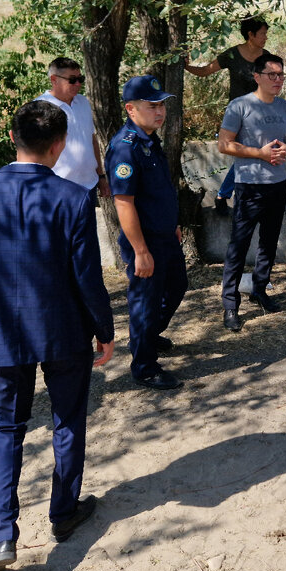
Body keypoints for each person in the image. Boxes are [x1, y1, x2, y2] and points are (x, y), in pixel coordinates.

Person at [0, 100, 115, 571]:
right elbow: (87, 278)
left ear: (11, 137)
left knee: (4, 430)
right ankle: (63, 512)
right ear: (59, 146)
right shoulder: (74, 199)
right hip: (63, 331)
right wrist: (105, 330)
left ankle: (1, 534)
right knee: (67, 421)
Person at [106, 75, 187, 390]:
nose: (160, 111)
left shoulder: (150, 139)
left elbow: (160, 191)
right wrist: (140, 251)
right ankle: (144, 366)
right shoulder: (125, 148)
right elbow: (124, 203)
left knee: (178, 285)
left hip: (164, 235)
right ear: (131, 108)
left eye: (162, 105)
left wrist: (173, 223)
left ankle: (148, 335)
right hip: (145, 241)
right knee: (145, 301)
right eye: (152, 106)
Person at [217, 52, 286, 331]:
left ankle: (259, 289)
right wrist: (260, 154)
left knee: (269, 242)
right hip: (249, 185)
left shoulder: (285, 107)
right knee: (239, 245)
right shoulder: (239, 106)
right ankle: (230, 304)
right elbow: (224, 145)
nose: (277, 80)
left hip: (278, 184)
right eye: (271, 75)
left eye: (281, 75)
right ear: (257, 77)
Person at [185, 14, 272, 211]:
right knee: (246, 155)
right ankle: (225, 195)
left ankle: (226, 195)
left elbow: (273, 83)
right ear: (250, 35)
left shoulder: (266, 57)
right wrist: (186, 66)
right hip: (236, 115)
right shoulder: (232, 54)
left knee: (248, 155)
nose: (265, 37)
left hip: (259, 116)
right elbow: (206, 71)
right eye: (262, 34)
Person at [35, 56, 110, 201]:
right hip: (57, 188)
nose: (77, 84)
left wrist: (101, 176)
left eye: (80, 79)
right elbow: (35, 152)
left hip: (89, 186)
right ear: (54, 80)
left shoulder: (83, 102)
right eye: (72, 80)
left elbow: (92, 140)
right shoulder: (39, 107)